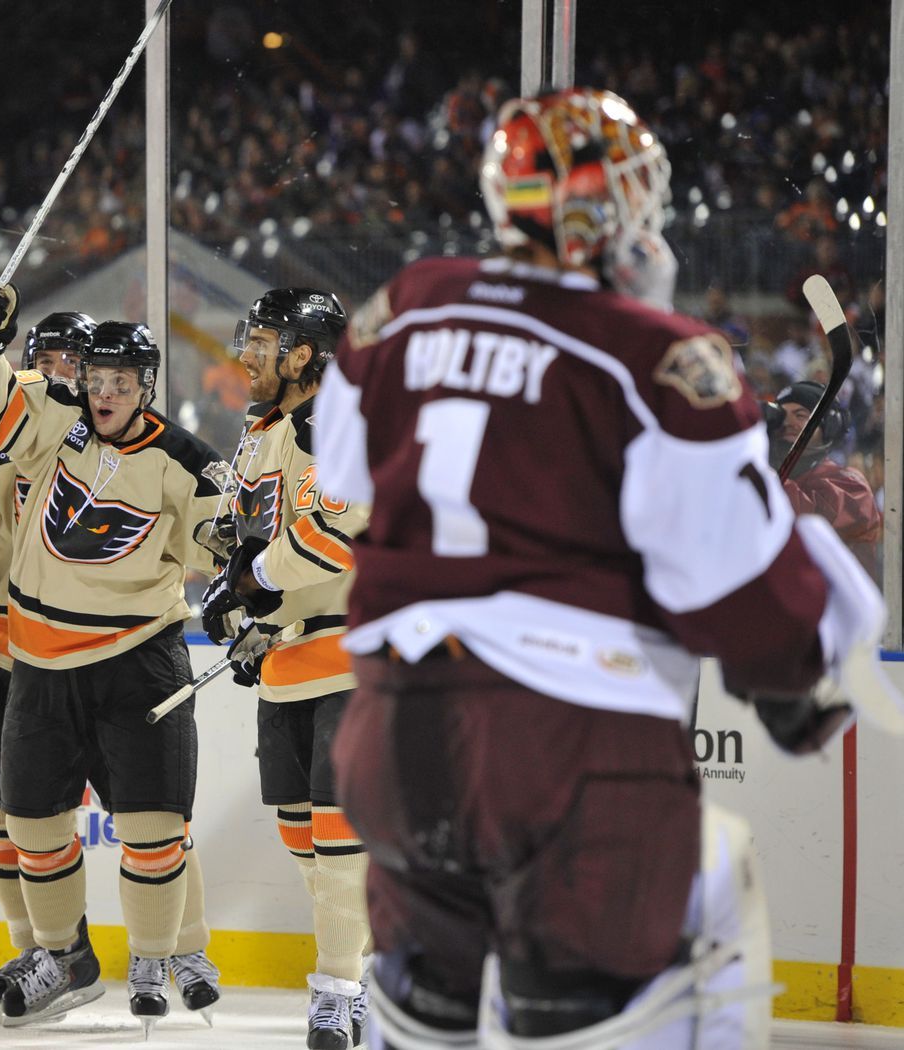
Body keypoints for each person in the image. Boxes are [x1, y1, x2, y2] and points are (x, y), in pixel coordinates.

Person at [313, 87, 894, 1049]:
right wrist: (806, 676)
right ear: (610, 210)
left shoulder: (403, 305)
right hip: (572, 745)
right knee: (683, 944)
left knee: (425, 1017)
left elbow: (346, 466)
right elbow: (748, 596)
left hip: (391, 732)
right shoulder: (662, 357)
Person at [0, 311, 223, 1027]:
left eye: (98, 371)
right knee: (10, 822)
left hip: (126, 654)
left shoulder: (141, 449)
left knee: (152, 815)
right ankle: (45, 951)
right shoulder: (27, 431)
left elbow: (211, 540)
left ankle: (176, 947)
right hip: (23, 652)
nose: (82, 382)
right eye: (67, 366)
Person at [199, 288, 372, 1050]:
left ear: (304, 354)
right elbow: (242, 539)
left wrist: (251, 580)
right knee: (306, 842)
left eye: (263, 341)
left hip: (352, 657)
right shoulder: (264, 432)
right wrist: (232, 602)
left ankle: (341, 990)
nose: (247, 354)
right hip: (287, 662)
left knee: (337, 844)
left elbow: (338, 535)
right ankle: (368, 955)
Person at [767, 380, 883, 577]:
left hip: (832, 602)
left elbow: (808, 521)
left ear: (829, 426)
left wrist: (762, 477)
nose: (787, 423)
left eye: (800, 415)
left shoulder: (850, 485)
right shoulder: (769, 474)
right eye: (781, 415)